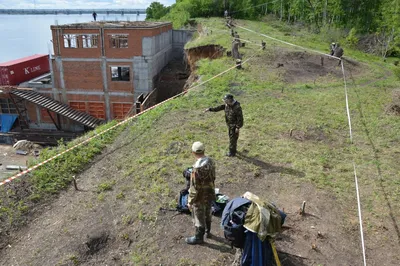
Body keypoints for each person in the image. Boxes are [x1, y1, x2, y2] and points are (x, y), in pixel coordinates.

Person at [186, 142, 216, 244]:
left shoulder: (196, 169)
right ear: (204, 150)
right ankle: (208, 232)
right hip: (210, 192)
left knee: (199, 216)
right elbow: (213, 177)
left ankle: (199, 237)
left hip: (200, 197)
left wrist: (190, 202)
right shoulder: (211, 162)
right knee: (208, 212)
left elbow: (194, 189)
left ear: (193, 152)